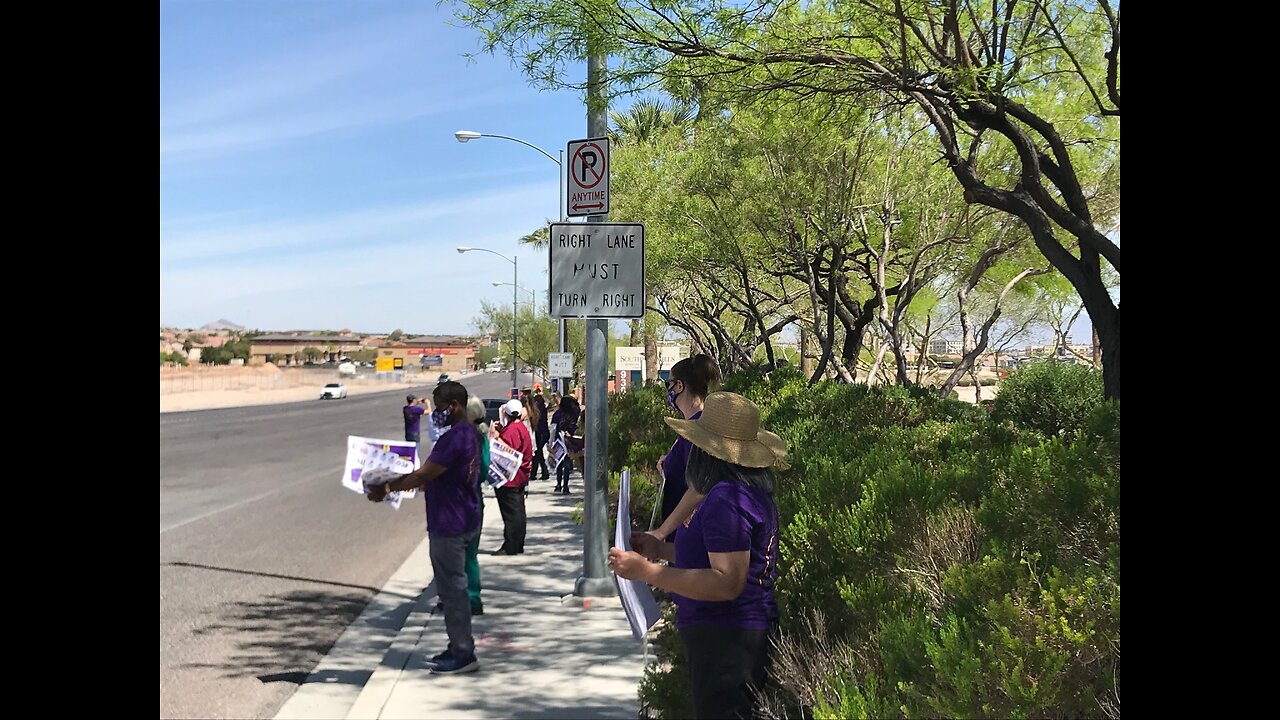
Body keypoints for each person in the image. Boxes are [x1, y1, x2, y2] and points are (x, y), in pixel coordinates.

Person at [608, 392, 788, 719]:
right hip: (730, 634)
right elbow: (718, 559)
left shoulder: (727, 499)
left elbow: (726, 582)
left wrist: (647, 572)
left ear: (708, 452)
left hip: (727, 638)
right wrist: (660, 549)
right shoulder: (741, 492)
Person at [368, 381, 481, 674]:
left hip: (450, 522)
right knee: (453, 588)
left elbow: (425, 475)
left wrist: (388, 487)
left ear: (454, 405)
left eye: (440, 406)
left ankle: (463, 653)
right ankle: (458, 643)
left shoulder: (454, 438)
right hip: (464, 516)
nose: (436, 412)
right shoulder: (468, 433)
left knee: (452, 590)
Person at [650, 355, 722, 543]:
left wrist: (661, 532)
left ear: (679, 386)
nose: (668, 391)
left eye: (669, 385)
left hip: (690, 536)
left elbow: (700, 484)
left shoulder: (697, 429)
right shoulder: (698, 424)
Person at [492, 398, 532, 555]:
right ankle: (517, 543)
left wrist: (496, 436)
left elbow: (508, 451)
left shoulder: (513, 430)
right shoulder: (520, 428)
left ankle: (511, 545)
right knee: (518, 511)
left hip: (511, 479)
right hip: (520, 477)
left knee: (511, 514)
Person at [462, 395, 490, 615]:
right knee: (470, 556)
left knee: (461, 555)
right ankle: (471, 597)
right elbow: (485, 470)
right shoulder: (483, 437)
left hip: (462, 501)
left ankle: (466, 598)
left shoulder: (468, 438)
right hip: (475, 500)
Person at [551, 395, 581, 494]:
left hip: (558, 440)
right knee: (567, 463)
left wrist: (550, 442)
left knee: (559, 463)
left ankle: (559, 484)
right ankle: (565, 486)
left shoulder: (557, 414)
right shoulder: (573, 414)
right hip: (569, 440)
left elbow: (553, 428)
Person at [530, 387, 551, 482]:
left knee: (538, 453)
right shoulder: (543, 409)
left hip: (540, 433)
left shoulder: (538, 410)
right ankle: (537, 473)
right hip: (544, 433)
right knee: (538, 453)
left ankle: (542, 472)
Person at [403, 394, 430, 459]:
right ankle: (416, 465)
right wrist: (427, 403)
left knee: (410, 450)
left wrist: (417, 402)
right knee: (416, 452)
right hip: (415, 433)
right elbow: (428, 411)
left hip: (408, 433)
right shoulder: (416, 409)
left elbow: (411, 407)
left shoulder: (405, 409)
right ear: (413, 400)